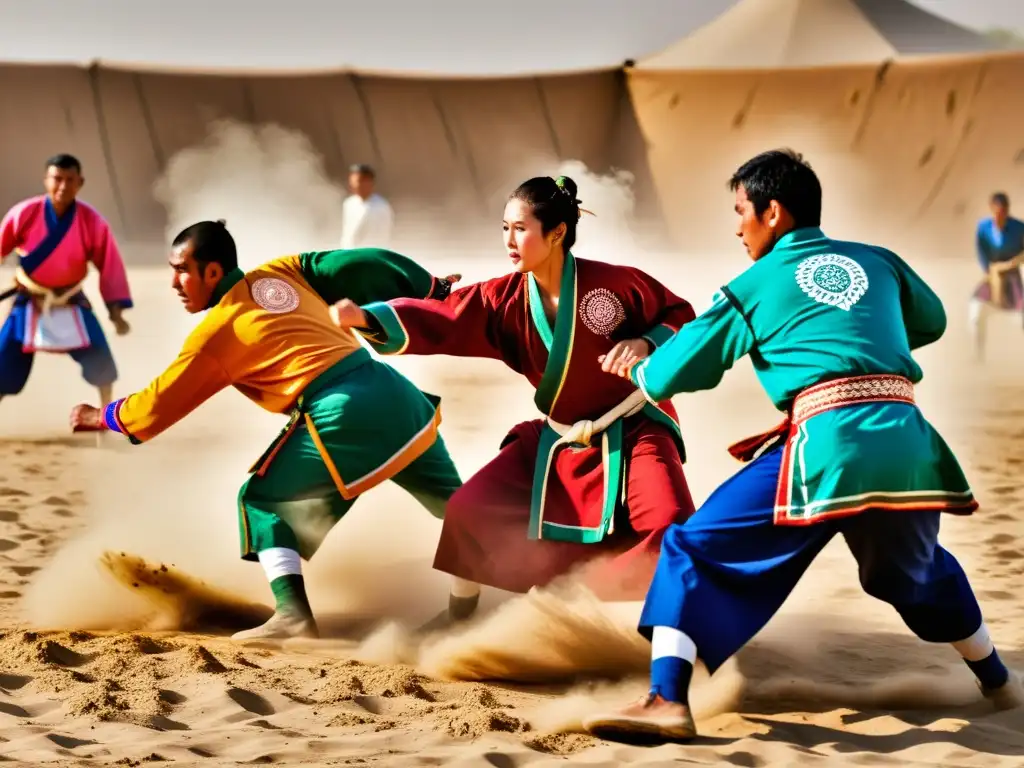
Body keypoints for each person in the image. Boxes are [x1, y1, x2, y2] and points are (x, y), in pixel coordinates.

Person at [582, 150, 1023, 743]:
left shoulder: (755, 284)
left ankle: (665, 698)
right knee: (912, 576)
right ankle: (998, 681)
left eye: (741, 211)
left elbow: (675, 374)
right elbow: (935, 321)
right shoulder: (880, 262)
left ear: (774, 211)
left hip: (826, 443)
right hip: (907, 442)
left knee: (694, 547)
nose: (736, 226)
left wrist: (641, 366)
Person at [68, 220, 464, 641]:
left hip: (342, 410)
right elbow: (362, 263)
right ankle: (472, 609)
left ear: (214, 273)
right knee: (463, 510)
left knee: (260, 500)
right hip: (399, 399)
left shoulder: (215, 333)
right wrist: (430, 288)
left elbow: (156, 406)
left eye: (182, 270)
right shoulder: (283, 271)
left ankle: (293, 617)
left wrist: (102, 416)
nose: (174, 283)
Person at [330, 175, 698, 624]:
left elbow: (680, 314)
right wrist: (368, 318)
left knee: (671, 524)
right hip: (560, 438)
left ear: (557, 232)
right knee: (468, 510)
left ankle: (669, 630)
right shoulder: (503, 298)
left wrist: (646, 343)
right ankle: (459, 620)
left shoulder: (615, 285)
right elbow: (447, 314)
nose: (508, 240)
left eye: (520, 229)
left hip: (635, 430)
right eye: (504, 228)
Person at [0, 153, 132, 408]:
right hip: (29, 300)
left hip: (70, 301)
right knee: (2, 362)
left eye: (69, 180)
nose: (63, 186)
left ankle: (104, 417)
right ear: (46, 180)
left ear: (80, 182)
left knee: (101, 359)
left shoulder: (92, 221)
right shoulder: (24, 213)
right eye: (57, 179)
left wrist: (116, 314)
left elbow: (110, 266)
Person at [969, 192, 1024, 362]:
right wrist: (989, 270)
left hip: (1012, 274)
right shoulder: (983, 227)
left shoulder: (1019, 227)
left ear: (1007, 210)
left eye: (1003, 211)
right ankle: (979, 355)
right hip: (991, 275)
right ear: (992, 209)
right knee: (976, 311)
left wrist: (1014, 262)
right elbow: (981, 251)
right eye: (997, 211)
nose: (1000, 214)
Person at [340, 164, 394, 250]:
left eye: (359, 181)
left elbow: (384, 235)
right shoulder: (349, 203)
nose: (355, 185)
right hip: (350, 253)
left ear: (369, 182)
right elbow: (347, 233)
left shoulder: (381, 206)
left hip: (371, 254)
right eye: (352, 181)